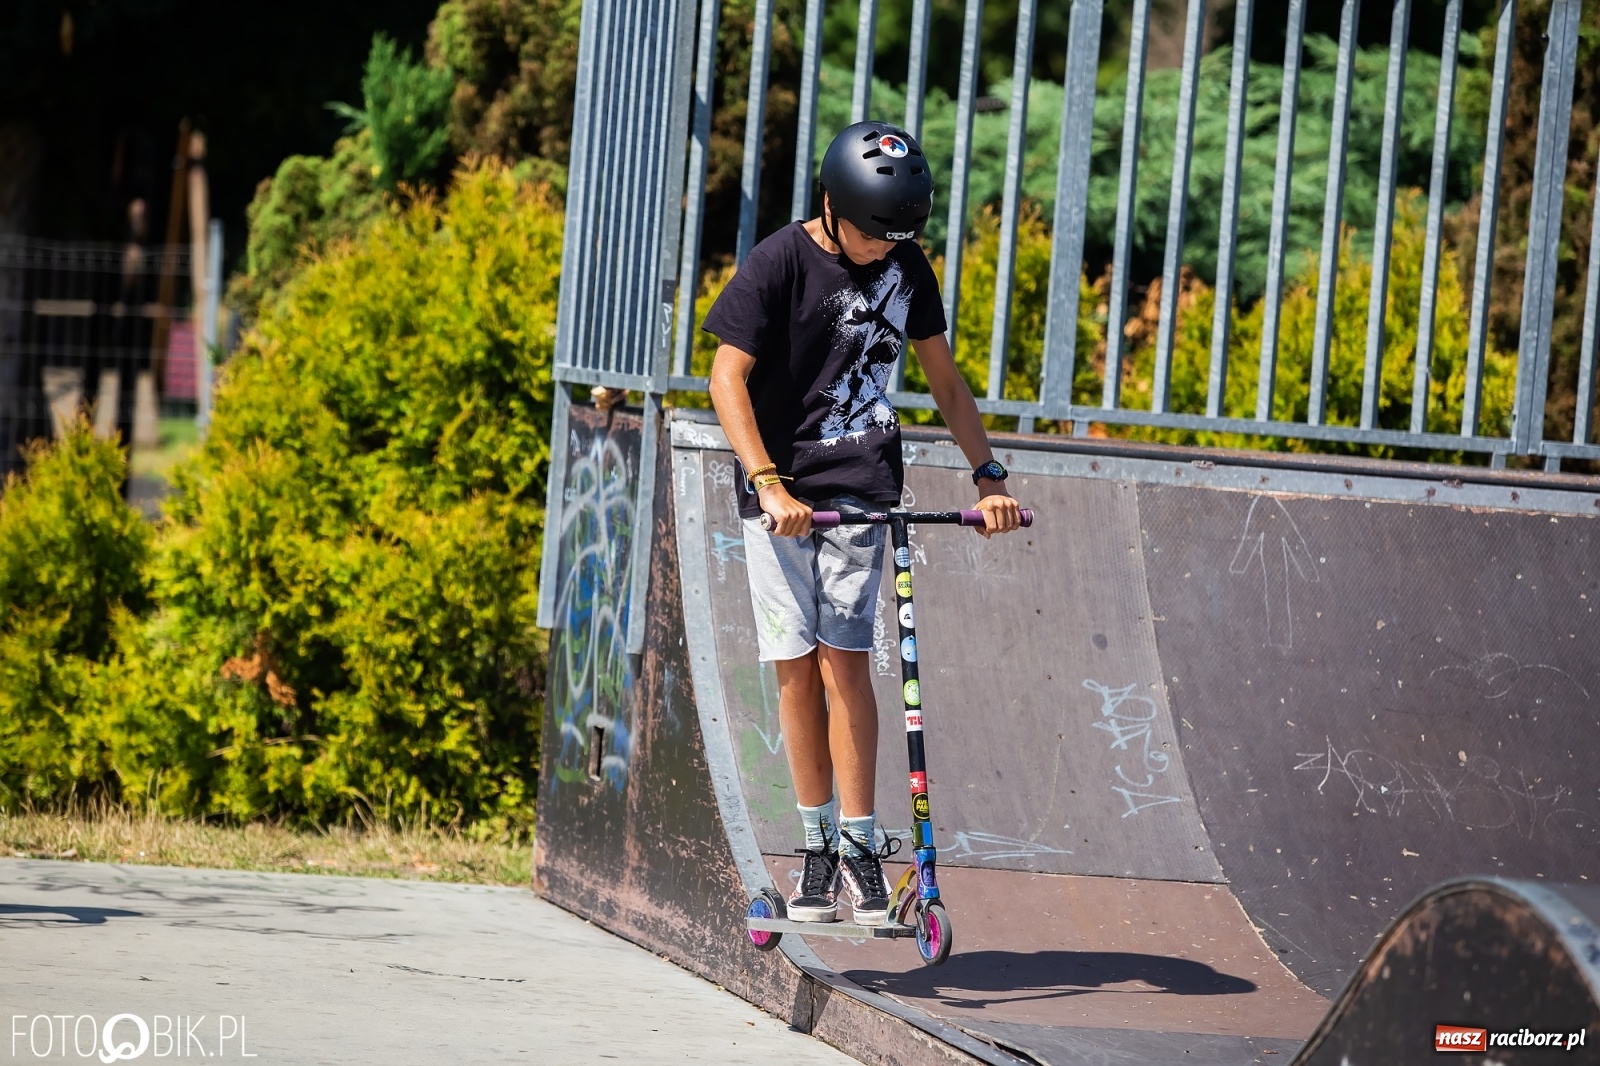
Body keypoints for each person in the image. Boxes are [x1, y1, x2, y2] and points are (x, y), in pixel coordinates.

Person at [704, 120, 1023, 926]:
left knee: (846, 663)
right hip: (780, 494)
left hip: (860, 486)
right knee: (794, 665)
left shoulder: (907, 264)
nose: (886, 251)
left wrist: (987, 478)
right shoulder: (780, 260)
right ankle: (812, 845)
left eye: (898, 239)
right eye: (873, 236)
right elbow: (726, 378)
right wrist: (767, 482)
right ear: (832, 207)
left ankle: (857, 845)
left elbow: (945, 383)